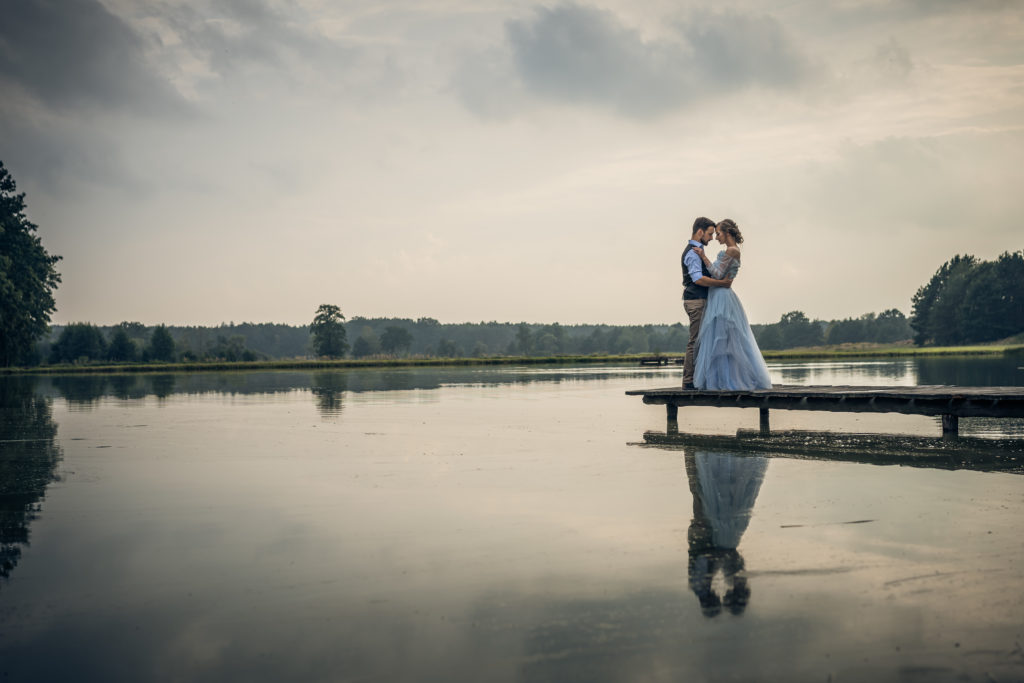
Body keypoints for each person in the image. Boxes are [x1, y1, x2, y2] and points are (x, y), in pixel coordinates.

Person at [692, 219, 773, 390]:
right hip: (719, 295)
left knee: (723, 339)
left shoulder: (732, 251)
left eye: (719, 233)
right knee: (718, 339)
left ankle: (730, 381)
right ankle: (720, 380)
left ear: (727, 233)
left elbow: (718, 274)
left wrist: (703, 256)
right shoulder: (729, 251)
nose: (717, 237)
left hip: (722, 297)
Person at [681, 217, 734, 389]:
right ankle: (688, 381)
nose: (712, 238)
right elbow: (697, 279)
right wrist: (721, 284)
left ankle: (699, 379)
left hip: (699, 300)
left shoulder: (698, 251)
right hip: (695, 301)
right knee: (695, 340)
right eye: (710, 234)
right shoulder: (691, 252)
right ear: (700, 231)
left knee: (702, 340)